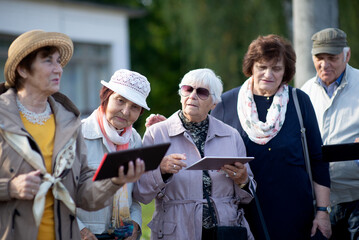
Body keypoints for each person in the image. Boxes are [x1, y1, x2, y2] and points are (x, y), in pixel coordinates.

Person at [0, 30, 144, 240]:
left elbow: (84, 195)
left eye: (59, 62)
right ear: (22, 69)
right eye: (48, 61)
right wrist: (10, 187)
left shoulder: (68, 121)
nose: (59, 69)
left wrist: (114, 181)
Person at [211, 34, 331, 240]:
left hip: (296, 216)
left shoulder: (299, 101)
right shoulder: (225, 104)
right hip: (243, 214)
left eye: (276, 68)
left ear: (286, 72)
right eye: (261, 67)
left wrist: (322, 211)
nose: (268, 74)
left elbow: (318, 160)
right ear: (251, 67)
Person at [133, 68, 255, 240]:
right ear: (181, 94)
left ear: (214, 103)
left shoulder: (231, 135)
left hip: (225, 229)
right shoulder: (157, 134)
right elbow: (140, 193)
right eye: (187, 89)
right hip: (177, 230)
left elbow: (247, 196)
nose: (192, 95)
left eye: (202, 92)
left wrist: (243, 181)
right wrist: (160, 170)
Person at [77, 69, 151, 240]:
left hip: (121, 235)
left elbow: (133, 194)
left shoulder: (134, 140)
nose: (125, 112)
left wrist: (135, 224)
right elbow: (59, 194)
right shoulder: (77, 135)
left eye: (134, 107)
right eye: (120, 100)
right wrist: (79, 230)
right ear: (105, 97)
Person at [301, 28, 359, 240]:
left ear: (347, 55)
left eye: (332, 58)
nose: (324, 65)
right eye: (319, 58)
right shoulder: (305, 92)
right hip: (320, 204)